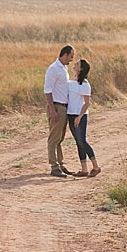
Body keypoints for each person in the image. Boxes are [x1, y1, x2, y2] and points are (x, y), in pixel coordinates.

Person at [43, 45, 75, 177]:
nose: (72, 59)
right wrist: (52, 110)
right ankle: (54, 166)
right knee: (54, 138)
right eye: (71, 56)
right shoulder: (53, 69)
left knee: (60, 138)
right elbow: (47, 91)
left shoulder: (63, 68)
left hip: (63, 107)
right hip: (56, 107)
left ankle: (60, 164)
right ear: (65, 55)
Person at [66, 59, 101, 178]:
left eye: (77, 65)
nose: (74, 65)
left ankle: (96, 167)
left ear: (81, 69)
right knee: (78, 142)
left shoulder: (85, 84)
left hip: (79, 116)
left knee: (82, 141)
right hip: (70, 114)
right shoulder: (71, 82)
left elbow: (87, 103)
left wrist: (79, 117)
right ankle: (84, 169)